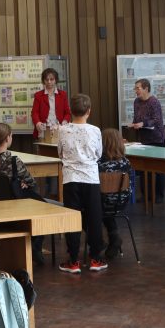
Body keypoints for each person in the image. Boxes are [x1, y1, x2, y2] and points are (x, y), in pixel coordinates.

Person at [56, 94, 106, 273]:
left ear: (70, 110)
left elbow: (60, 152)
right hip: (91, 178)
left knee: (73, 219)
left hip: (71, 179)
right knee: (94, 218)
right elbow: (99, 154)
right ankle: (95, 259)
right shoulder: (95, 130)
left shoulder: (63, 130)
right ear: (89, 111)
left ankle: (73, 261)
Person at [0, 122, 47, 263]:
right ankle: (35, 246)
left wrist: (18, 181)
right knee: (44, 207)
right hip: (16, 204)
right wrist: (22, 182)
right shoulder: (13, 160)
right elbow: (32, 182)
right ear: (7, 138)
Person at [130, 78, 165, 203]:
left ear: (146, 89)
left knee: (158, 169)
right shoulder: (136, 102)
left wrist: (143, 123)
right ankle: (146, 195)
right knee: (144, 168)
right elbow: (136, 117)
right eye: (135, 88)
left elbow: (156, 120)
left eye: (138, 88)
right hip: (143, 139)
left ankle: (159, 196)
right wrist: (134, 124)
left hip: (157, 138)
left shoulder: (154, 101)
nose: (136, 91)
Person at [99, 128, 132, 260]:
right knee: (107, 211)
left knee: (84, 211)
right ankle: (114, 239)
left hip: (102, 202)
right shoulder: (126, 162)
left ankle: (96, 240)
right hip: (121, 202)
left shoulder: (98, 164)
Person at [31, 67, 70, 139]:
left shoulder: (63, 94)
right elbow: (34, 113)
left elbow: (67, 113)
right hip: (43, 131)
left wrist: (65, 121)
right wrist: (37, 123)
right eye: (46, 79)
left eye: (51, 79)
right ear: (43, 81)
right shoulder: (38, 95)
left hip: (59, 129)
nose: (49, 82)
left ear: (55, 80)